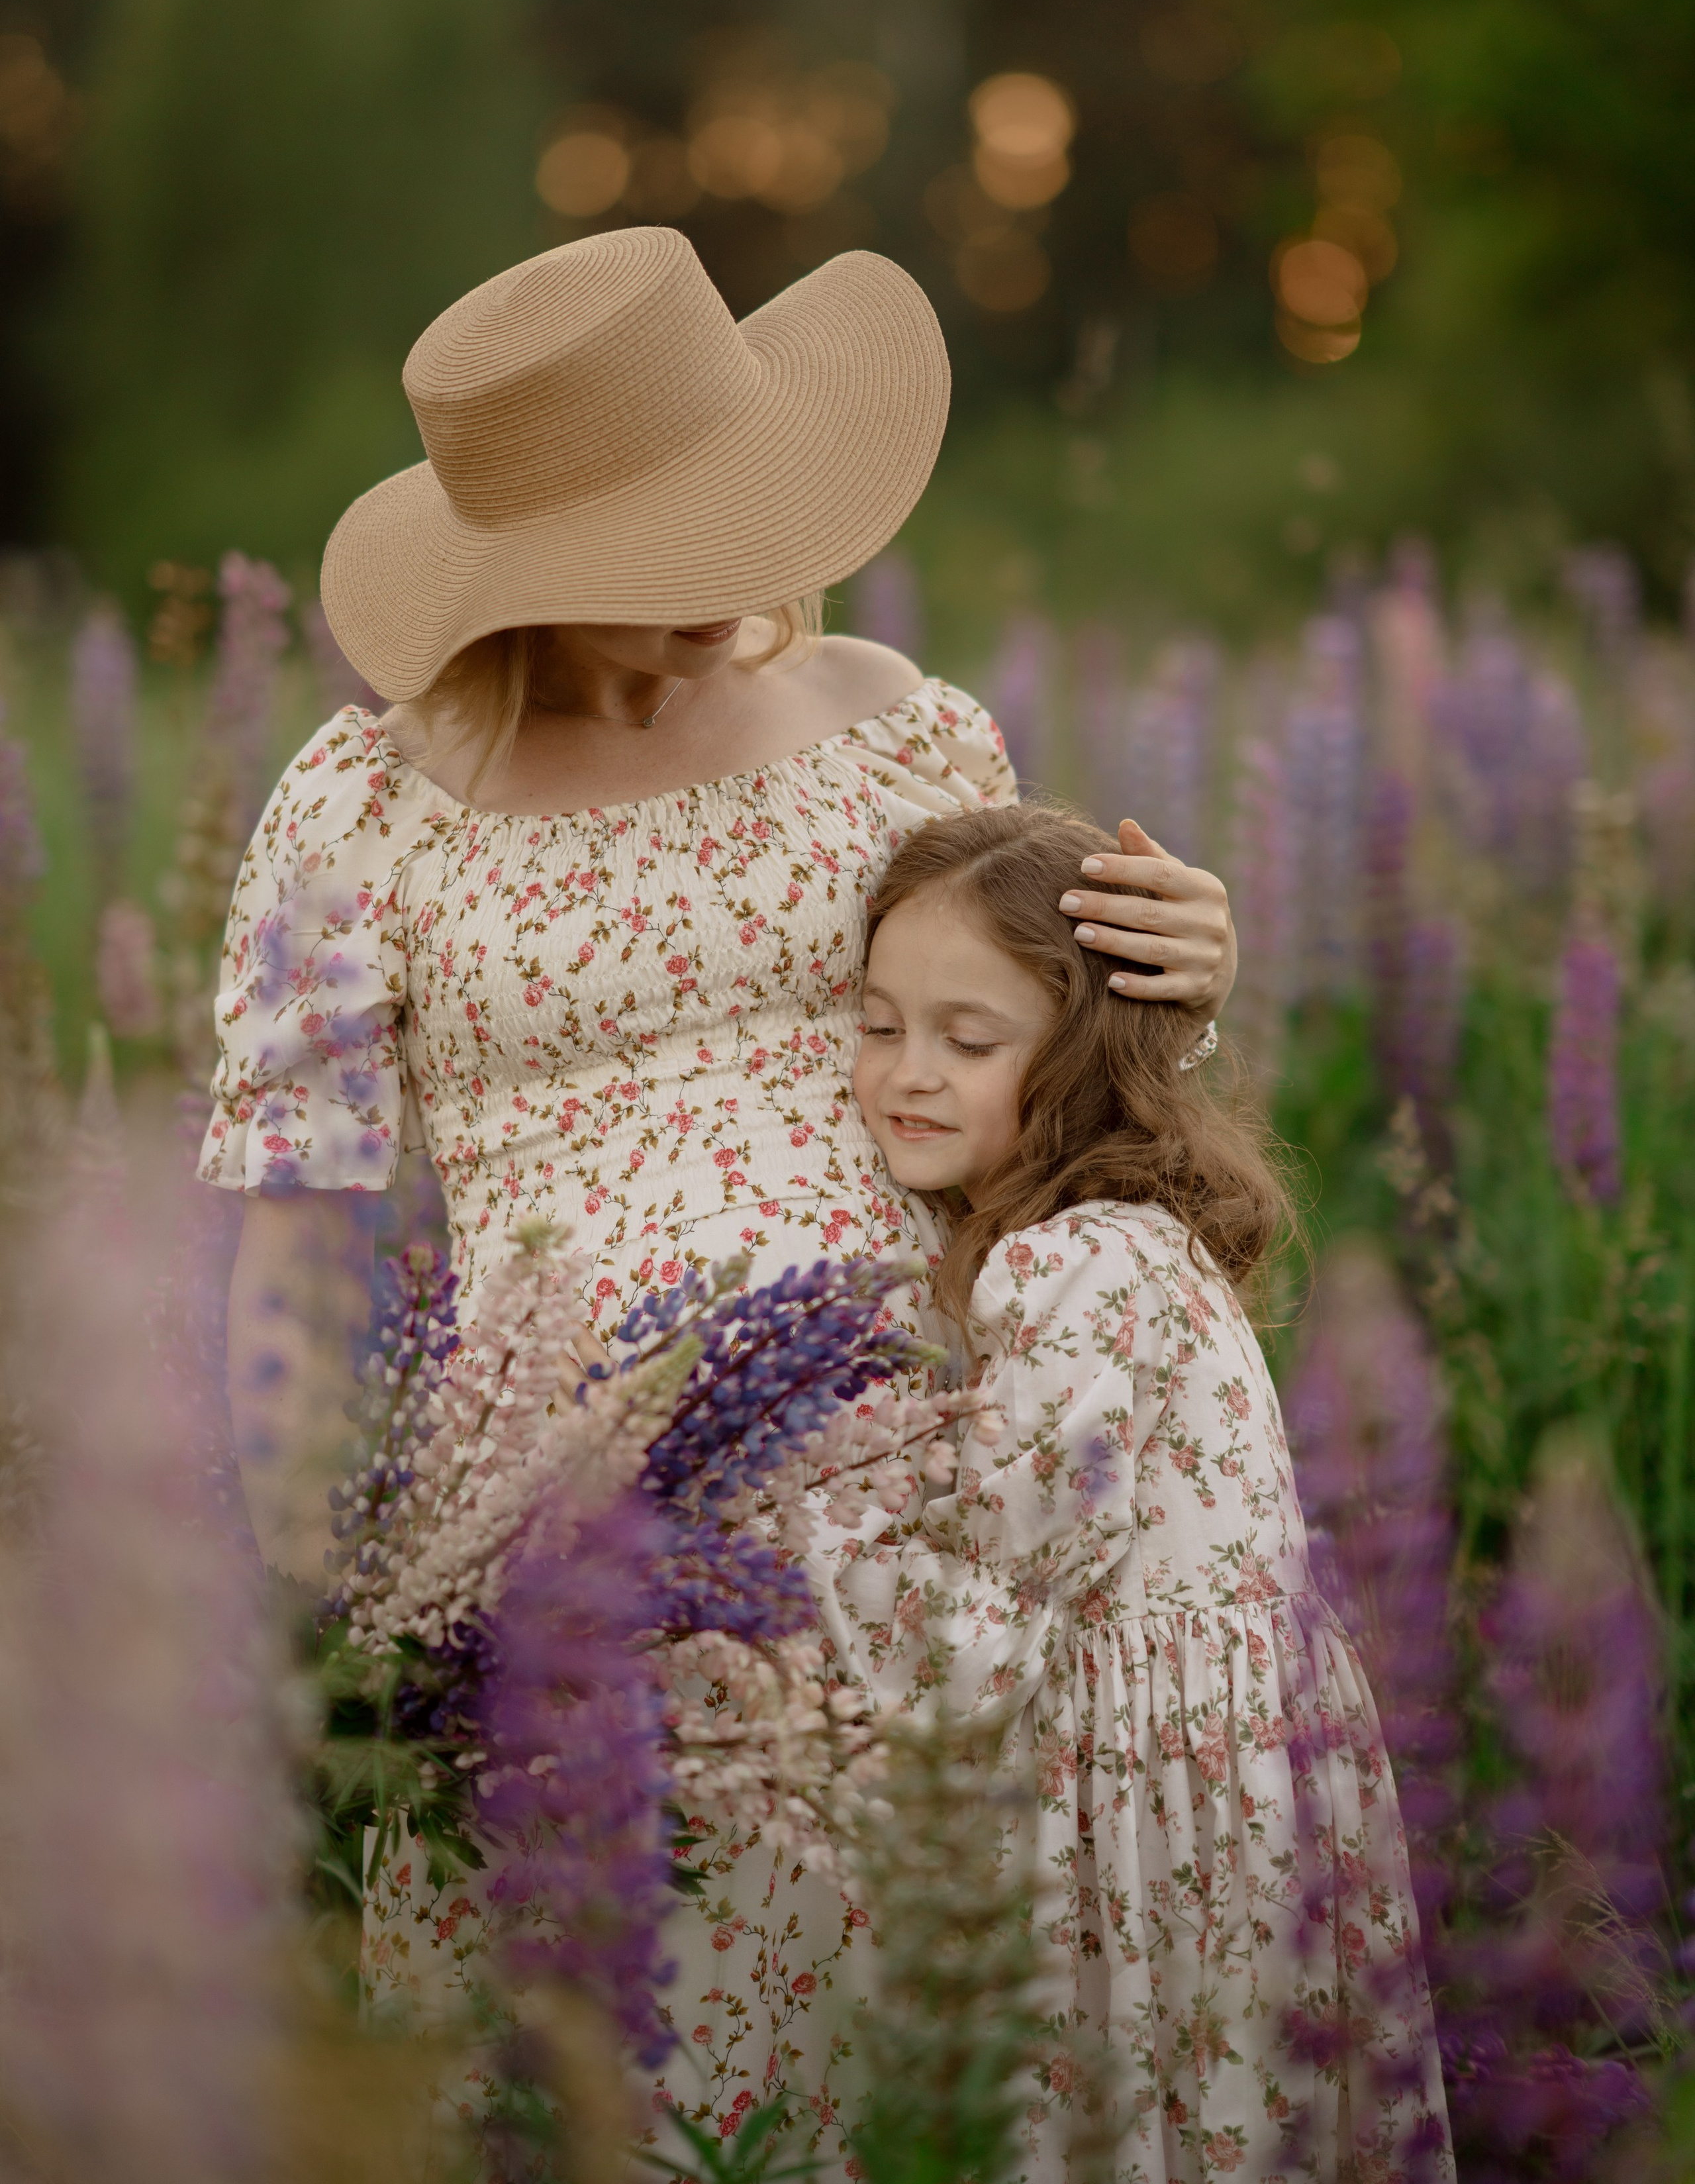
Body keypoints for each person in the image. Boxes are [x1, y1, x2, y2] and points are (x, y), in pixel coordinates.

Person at [200, 224, 1239, 2118]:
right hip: (565, 1522)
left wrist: (1182, 980)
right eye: (649, 558)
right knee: (627, 2051)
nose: (722, 587)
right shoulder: (354, 810)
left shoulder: (899, 729)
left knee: (929, 2028)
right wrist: (314, 1596)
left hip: (927, 1468)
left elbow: (1042, 1057)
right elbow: (294, 1222)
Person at [807, 801, 1454, 2184]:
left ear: (1083, 1057)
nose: (905, 1074)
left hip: (1148, 1803)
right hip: (1233, 1780)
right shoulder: (1126, 1240)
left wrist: (785, 1517)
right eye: (874, 1024)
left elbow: (986, 1609)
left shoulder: (1070, 1268)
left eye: (968, 1041)